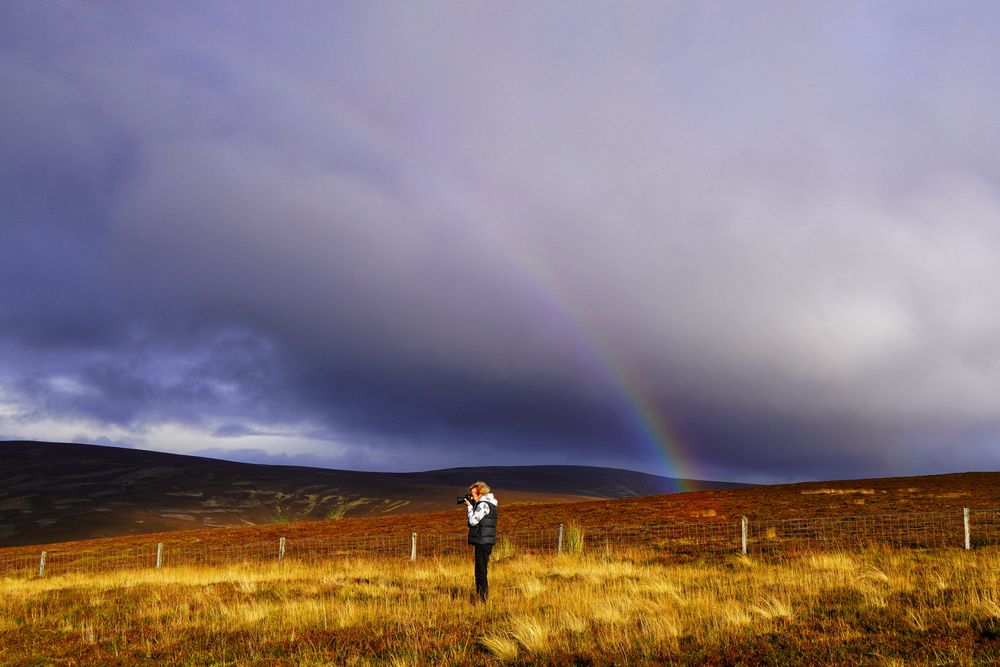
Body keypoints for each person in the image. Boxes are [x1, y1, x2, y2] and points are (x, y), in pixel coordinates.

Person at [465, 480, 498, 602]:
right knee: (481, 570)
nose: (471, 496)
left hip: (483, 541)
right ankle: (482, 597)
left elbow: (473, 521)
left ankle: (482, 599)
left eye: (473, 494)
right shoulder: (490, 503)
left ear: (480, 493)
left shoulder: (483, 505)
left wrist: (469, 507)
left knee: (480, 572)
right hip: (485, 540)